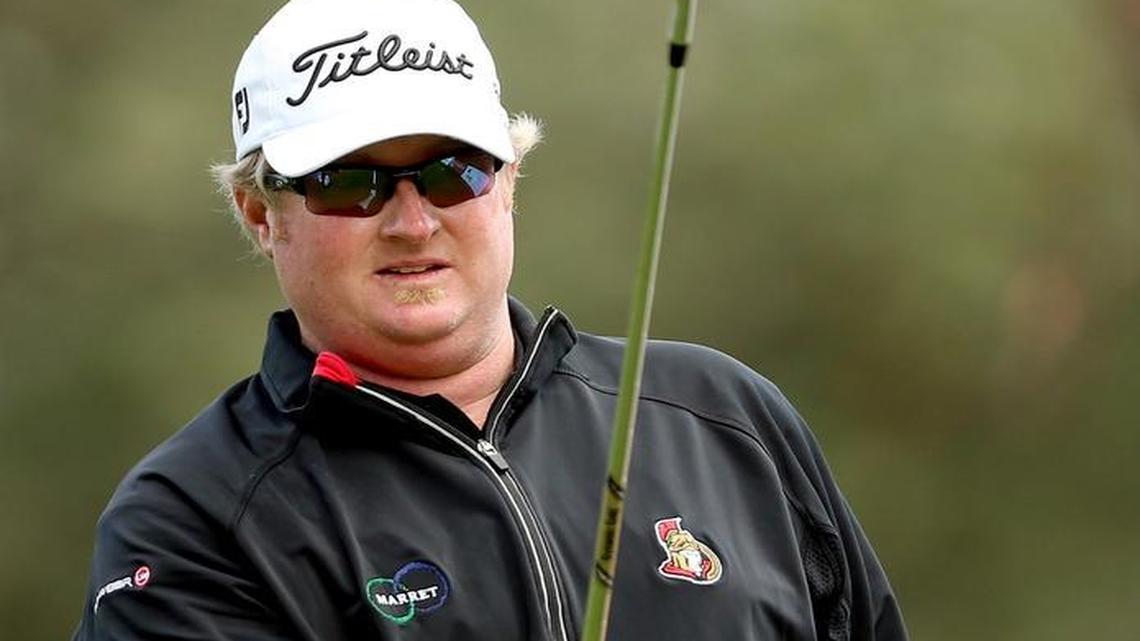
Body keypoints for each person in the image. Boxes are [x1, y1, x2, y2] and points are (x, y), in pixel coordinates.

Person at [73, 0, 908, 639]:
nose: (411, 222)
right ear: (261, 213)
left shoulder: (722, 413)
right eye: (350, 183)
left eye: (453, 172)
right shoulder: (193, 518)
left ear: (509, 181)